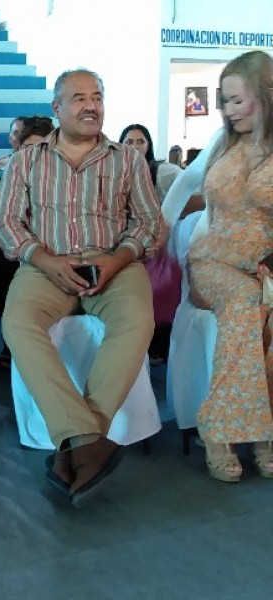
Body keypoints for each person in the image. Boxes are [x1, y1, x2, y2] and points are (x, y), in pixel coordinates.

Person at [0, 69, 161, 504]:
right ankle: (88, 440)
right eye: (79, 98)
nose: (91, 105)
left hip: (114, 265)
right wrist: (44, 259)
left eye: (98, 96)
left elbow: (148, 223)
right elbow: (6, 222)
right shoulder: (26, 160)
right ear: (57, 109)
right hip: (46, 265)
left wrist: (117, 258)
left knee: (138, 322)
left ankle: (79, 441)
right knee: (19, 323)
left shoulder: (128, 158)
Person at [186, 50, 273, 482]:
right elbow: (186, 191)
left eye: (238, 100)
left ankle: (262, 431)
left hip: (265, 265)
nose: (229, 109)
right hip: (214, 261)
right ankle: (219, 430)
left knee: (265, 309)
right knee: (245, 301)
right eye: (225, 100)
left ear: (265, 95)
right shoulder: (224, 144)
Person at [0, 118, 55, 330]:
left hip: (53, 246)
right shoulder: (3, 176)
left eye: (42, 148)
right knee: (6, 266)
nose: (33, 155)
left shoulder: (65, 179)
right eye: (27, 148)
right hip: (7, 245)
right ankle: (10, 340)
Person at [119, 124, 183, 363]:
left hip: (157, 240)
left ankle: (158, 345)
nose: (135, 146)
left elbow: (173, 210)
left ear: (149, 145)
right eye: (129, 142)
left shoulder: (164, 173)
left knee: (159, 285)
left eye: (140, 141)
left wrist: (159, 239)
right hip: (125, 241)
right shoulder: (114, 172)